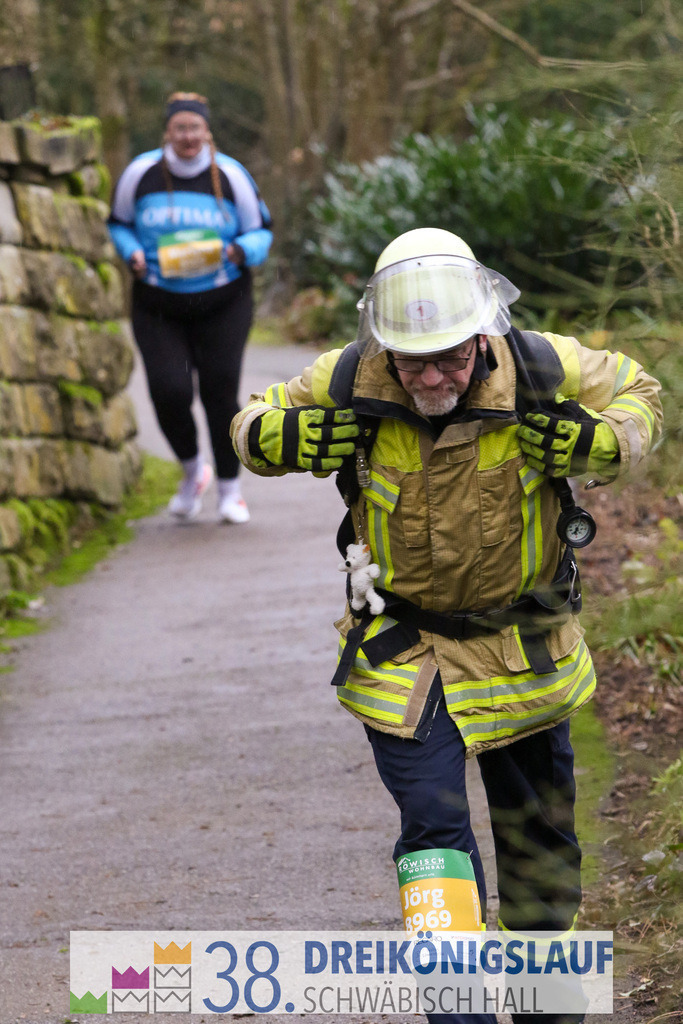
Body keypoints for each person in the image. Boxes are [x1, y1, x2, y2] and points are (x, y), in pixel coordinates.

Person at [231, 228, 662, 1024]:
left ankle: (548, 1009)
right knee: (432, 833)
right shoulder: (348, 377)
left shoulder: (540, 365)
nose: (431, 376)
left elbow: (642, 393)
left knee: (538, 844)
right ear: (383, 346)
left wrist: (605, 440)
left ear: (481, 336)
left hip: (525, 649)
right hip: (405, 656)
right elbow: (254, 419)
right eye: (412, 361)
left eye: (451, 358)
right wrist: (275, 438)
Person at [108, 91, 272, 523]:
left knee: (220, 394)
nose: (187, 137)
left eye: (194, 128)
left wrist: (241, 250)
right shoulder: (140, 174)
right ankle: (189, 472)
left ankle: (230, 490)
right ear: (168, 131)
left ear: (206, 131)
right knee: (169, 391)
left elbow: (262, 231)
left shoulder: (231, 175)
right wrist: (131, 255)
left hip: (223, 302)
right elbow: (119, 224)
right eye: (179, 128)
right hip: (158, 303)